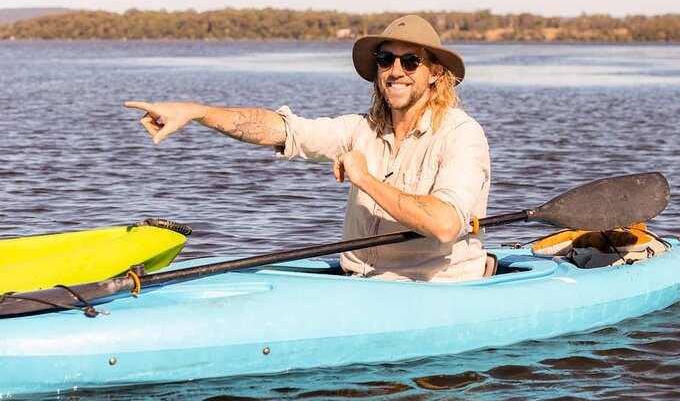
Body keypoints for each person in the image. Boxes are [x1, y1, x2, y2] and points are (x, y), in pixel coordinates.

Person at [126, 14, 491, 282]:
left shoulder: (460, 135)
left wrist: (364, 178)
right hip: (360, 283)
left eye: (410, 60)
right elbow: (281, 130)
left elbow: (445, 225)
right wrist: (198, 112)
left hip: (434, 291)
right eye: (386, 60)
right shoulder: (359, 129)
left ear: (436, 73)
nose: (396, 70)